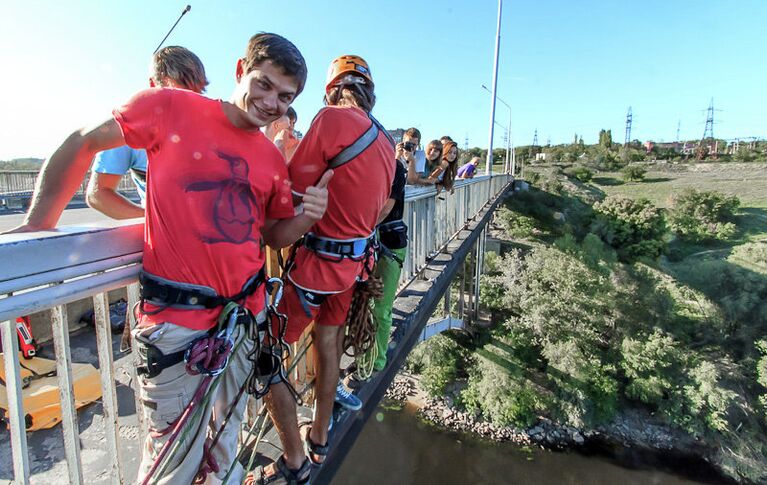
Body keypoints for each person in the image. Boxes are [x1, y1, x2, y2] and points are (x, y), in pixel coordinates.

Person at [4, 33, 331, 485]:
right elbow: (82, 143)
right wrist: (37, 229)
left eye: (285, 96)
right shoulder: (170, 107)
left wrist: (305, 218)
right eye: (264, 84)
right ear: (240, 70)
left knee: (223, 448)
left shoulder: (270, 159)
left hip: (242, 323)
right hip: (178, 327)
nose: (272, 102)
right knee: (170, 464)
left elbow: (271, 235)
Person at [258, 54, 394, 483]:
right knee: (329, 342)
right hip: (353, 267)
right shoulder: (387, 142)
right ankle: (318, 435)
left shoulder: (332, 120)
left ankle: (294, 459)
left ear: (332, 90)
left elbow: (291, 189)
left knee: (264, 355)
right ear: (370, 94)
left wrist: (279, 150)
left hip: (317, 265)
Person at [86, 46, 209, 219]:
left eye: (197, 93)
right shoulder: (128, 129)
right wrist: (153, 220)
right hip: (165, 240)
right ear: (153, 86)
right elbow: (98, 195)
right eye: (177, 94)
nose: (188, 103)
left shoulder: (213, 128)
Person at [347, 133, 408, 387]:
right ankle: (363, 355)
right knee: (361, 306)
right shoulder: (366, 166)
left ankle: (376, 361)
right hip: (369, 243)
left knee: (380, 308)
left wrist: (355, 227)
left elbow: (384, 208)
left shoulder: (396, 168)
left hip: (387, 244)